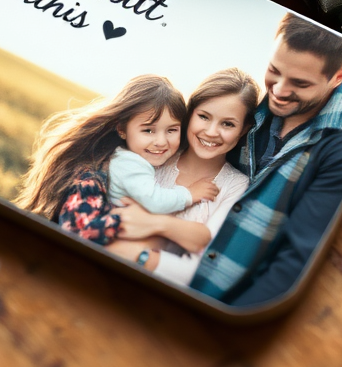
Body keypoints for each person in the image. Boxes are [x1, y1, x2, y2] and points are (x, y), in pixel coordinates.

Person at [188, 13, 342, 308]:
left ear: (338, 76)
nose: (278, 91)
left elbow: (298, 256)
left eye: (299, 83)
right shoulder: (251, 104)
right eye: (274, 70)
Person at [16, 75, 215, 244]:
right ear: (122, 129)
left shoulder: (126, 157)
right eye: (148, 130)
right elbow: (154, 200)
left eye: (172, 130)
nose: (161, 141)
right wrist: (190, 194)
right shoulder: (130, 165)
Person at [107, 69, 260, 281]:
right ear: (190, 113)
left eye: (228, 124)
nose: (211, 132)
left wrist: (149, 233)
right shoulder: (156, 155)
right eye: (204, 117)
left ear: (243, 130)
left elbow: (206, 263)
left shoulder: (236, 185)